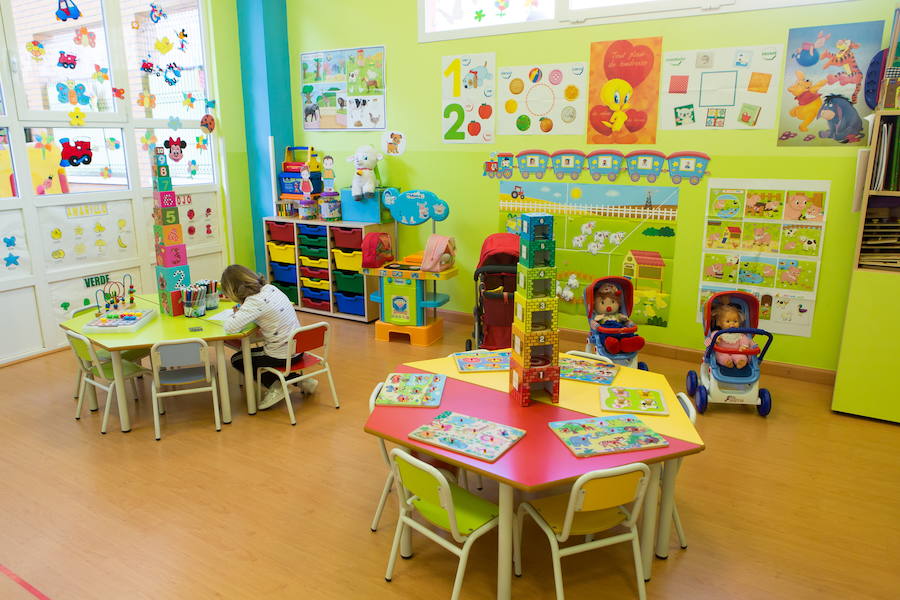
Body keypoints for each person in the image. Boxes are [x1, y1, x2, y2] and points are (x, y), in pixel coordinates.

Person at [219, 265, 317, 409]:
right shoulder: (270, 289)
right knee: (252, 356)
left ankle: (276, 387)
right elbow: (264, 311)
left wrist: (237, 314)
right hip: (298, 349)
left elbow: (230, 327)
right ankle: (300, 381)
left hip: (281, 355)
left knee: (238, 359)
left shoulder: (253, 302)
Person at [591, 282, 644, 354]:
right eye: (603, 303)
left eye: (613, 302)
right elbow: (593, 323)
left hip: (621, 331)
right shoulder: (600, 317)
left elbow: (626, 321)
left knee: (627, 333)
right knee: (606, 338)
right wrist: (596, 326)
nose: (609, 307)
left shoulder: (618, 315)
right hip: (608, 333)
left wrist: (629, 323)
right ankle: (613, 346)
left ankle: (627, 344)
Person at [707, 303, 756, 369]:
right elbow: (713, 335)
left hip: (737, 351)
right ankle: (727, 362)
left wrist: (744, 346)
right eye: (728, 321)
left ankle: (740, 362)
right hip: (722, 352)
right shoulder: (718, 333)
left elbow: (745, 339)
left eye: (735, 321)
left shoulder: (739, 334)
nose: (732, 323)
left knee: (741, 356)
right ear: (719, 323)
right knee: (720, 355)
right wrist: (716, 338)